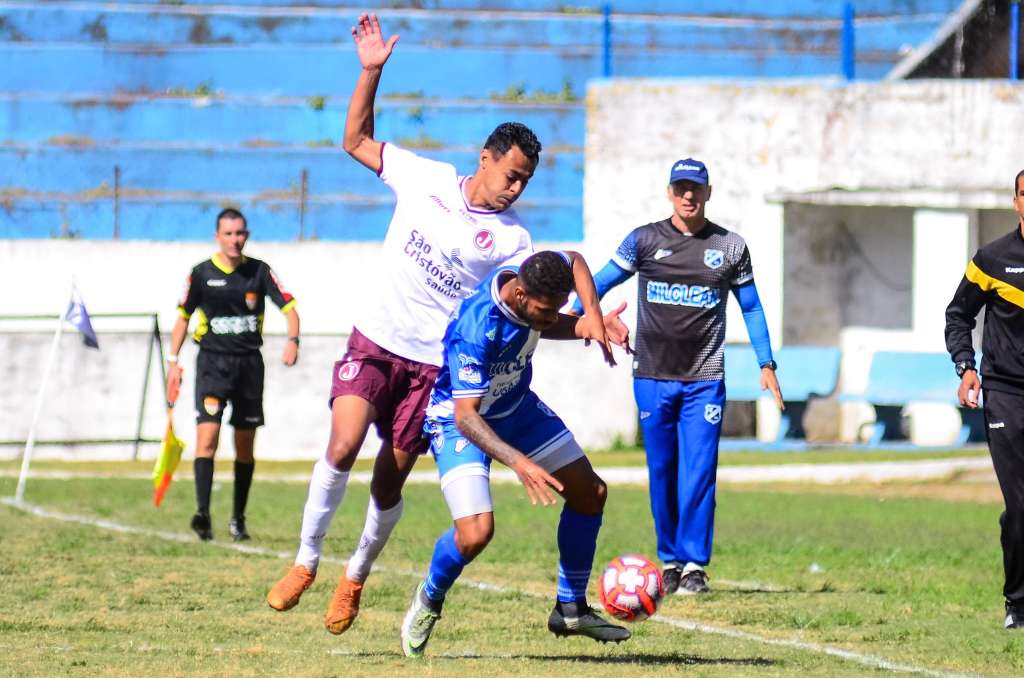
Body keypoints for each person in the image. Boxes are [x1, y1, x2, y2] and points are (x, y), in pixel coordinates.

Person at [266, 13, 616, 636]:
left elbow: (546, 285)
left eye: (526, 181)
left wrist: (587, 321)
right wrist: (370, 72)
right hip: (376, 341)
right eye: (511, 174)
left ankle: (355, 576)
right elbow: (354, 139)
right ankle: (305, 561)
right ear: (483, 159)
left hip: (434, 371)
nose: (516, 188)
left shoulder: (513, 239)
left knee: (387, 483)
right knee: (342, 445)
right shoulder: (422, 177)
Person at [399, 251, 631, 657]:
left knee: (589, 493)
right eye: (545, 312)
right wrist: (519, 462)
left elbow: (575, 261)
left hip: (515, 408)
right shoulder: (478, 326)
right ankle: (430, 598)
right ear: (520, 295)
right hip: (459, 419)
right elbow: (467, 416)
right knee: (476, 533)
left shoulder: (535, 279)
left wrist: (589, 317)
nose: (550, 319)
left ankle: (571, 608)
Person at [571, 158, 783, 595]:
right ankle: (669, 560)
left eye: (696, 188)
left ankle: (694, 566)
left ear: (708, 193)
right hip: (651, 375)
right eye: (681, 187)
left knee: (699, 471)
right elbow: (599, 282)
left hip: (704, 378)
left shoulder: (729, 247)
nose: (689, 195)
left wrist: (766, 363)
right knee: (662, 469)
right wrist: (574, 317)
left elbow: (752, 307)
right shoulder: (644, 241)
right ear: (670, 191)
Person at [166, 207, 300, 542]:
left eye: (240, 233)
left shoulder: (259, 271)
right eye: (228, 234)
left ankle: (238, 519)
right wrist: (173, 361)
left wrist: (292, 340)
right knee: (207, 440)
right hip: (212, 365)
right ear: (217, 236)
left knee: (244, 445)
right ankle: (203, 514)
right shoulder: (200, 274)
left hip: (249, 367)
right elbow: (183, 317)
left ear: (247, 235)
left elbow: (290, 309)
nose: (234, 240)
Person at [945, 168, 1024, 630]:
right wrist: (966, 367)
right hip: (1008, 394)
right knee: (1021, 508)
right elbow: (958, 316)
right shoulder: (993, 259)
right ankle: (1018, 601)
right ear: (1015, 201)